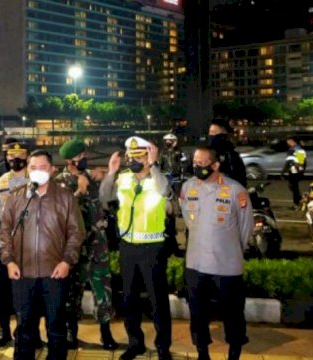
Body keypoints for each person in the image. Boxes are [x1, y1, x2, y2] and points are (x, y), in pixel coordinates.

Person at [0, 150, 85, 360]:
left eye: (43, 167)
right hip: (22, 273)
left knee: (56, 327)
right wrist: (9, 261)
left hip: (54, 274)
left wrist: (67, 261)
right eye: (33, 167)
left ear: (53, 169)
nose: (38, 172)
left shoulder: (65, 197)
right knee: (24, 328)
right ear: (28, 170)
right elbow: (4, 232)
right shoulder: (16, 197)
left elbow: (76, 233)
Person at [99, 136, 172, 360]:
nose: (133, 161)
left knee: (157, 300)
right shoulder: (123, 179)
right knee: (129, 298)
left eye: (139, 157)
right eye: (130, 157)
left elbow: (163, 192)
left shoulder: (159, 179)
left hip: (153, 248)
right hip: (128, 248)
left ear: (149, 157)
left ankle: (162, 347)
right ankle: (135, 343)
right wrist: (111, 173)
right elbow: (104, 199)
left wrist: (155, 165)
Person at [180, 146, 253, 360]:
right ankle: (203, 353)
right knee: (198, 314)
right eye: (195, 162)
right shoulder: (187, 188)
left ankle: (234, 352)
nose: (197, 166)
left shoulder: (235, 190)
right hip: (196, 264)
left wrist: (230, 249)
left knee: (233, 314)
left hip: (227, 266)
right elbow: (188, 220)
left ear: (215, 165)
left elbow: (245, 228)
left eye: (202, 163)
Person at [56, 139, 118, 350]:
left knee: (104, 289)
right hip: (75, 247)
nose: (84, 159)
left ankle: (105, 333)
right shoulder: (59, 182)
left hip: (98, 245)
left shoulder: (92, 177)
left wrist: (108, 173)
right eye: (79, 157)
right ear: (68, 161)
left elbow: (108, 196)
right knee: (73, 292)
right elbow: (61, 214)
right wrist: (79, 192)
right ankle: (72, 331)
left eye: (84, 155)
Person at [0, 141, 30, 347]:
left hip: (30, 245)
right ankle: (3, 329)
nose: (16, 158)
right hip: (6, 245)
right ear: (6, 157)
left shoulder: (36, 180)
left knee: (29, 291)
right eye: (12, 154)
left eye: (21, 154)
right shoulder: (1, 182)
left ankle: (26, 330)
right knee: (4, 290)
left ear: (27, 156)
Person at [208, 119, 247, 187]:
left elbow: (240, 176)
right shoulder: (207, 153)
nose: (210, 134)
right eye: (210, 132)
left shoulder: (231, 155)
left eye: (213, 132)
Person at [283, 136, 306, 209]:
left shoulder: (298, 149)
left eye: (288, 141)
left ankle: (297, 204)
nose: (287, 143)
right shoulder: (292, 149)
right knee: (293, 187)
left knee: (294, 188)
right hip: (293, 170)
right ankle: (299, 202)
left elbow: (301, 161)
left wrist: (299, 170)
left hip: (295, 171)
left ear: (291, 141)